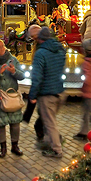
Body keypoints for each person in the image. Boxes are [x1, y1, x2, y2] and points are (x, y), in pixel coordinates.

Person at [29, 27, 66, 158]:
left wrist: (32, 95)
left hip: (47, 93)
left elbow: (37, 77)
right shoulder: (61, 49)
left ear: (40, 39)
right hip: (60, 91)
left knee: (50, 124)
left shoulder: (41, 53)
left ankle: (56, 149)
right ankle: (51, 143)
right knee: (52, 121)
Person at [0, 38, 25, 158]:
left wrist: (14, 71)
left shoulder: (12, 59)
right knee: (0, 123)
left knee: (15, 122)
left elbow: (22, 76)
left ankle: (15, 145)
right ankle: (3, 148)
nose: (2, 48)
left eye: (2, 46)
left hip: (12, 95)